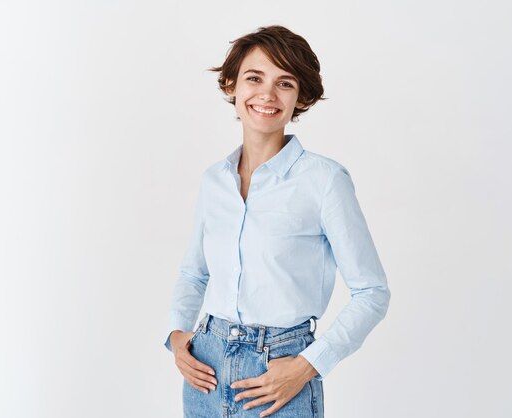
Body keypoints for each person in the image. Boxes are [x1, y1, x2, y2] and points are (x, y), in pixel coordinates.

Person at [163, 25, 390, 418]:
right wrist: (177, 336)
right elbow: (194, 272)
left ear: (300, 96)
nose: (267, 95)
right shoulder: (214, 180)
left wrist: (307, 366)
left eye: (284, 83)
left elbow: (372, 292)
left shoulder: (324, 181)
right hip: (206, 370)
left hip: (279, 375)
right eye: (254, 78)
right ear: (232, 85)